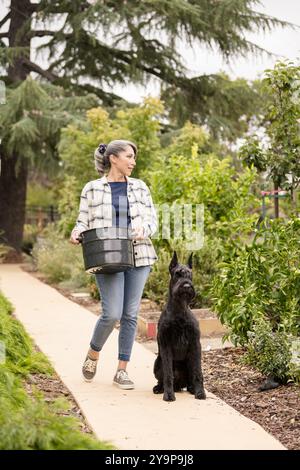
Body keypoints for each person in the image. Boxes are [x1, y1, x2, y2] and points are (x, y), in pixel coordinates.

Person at [70, 140, 158, 389]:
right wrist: (76, 232)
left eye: (134, 157)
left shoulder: (140, 187)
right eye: (129, 156)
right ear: (113, 158)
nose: (133, 162)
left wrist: (145, 228)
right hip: (106, 255)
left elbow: (152, 220)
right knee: (111, 314)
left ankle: (122, 370)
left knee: (130, 314)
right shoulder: (92, 188)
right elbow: (83, 220)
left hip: (139, 255)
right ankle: (93, 353)